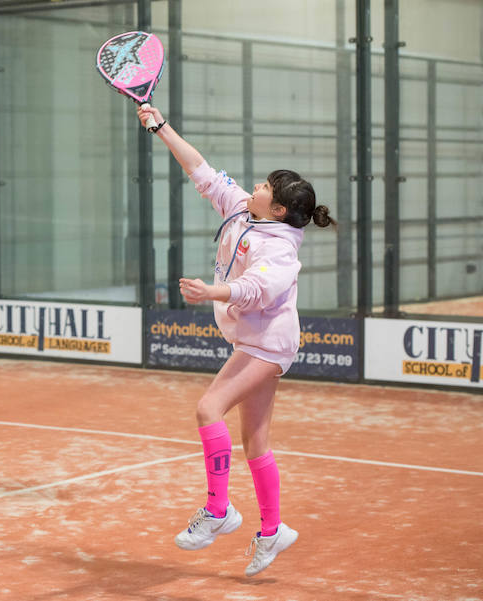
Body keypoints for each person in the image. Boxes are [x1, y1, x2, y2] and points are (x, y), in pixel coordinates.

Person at [137, 105, 335, 577]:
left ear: (280, 210)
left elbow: (256, 289)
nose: (258, 187)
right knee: (256, 441)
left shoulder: (281, 249)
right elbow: (199, 169)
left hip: (267, 344)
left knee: (209, 409)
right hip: (253, 339)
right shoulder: (242, 208)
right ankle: (272, 532)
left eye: (267, 187)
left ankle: (219, 510)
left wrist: (212, 292)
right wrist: (160, 127)